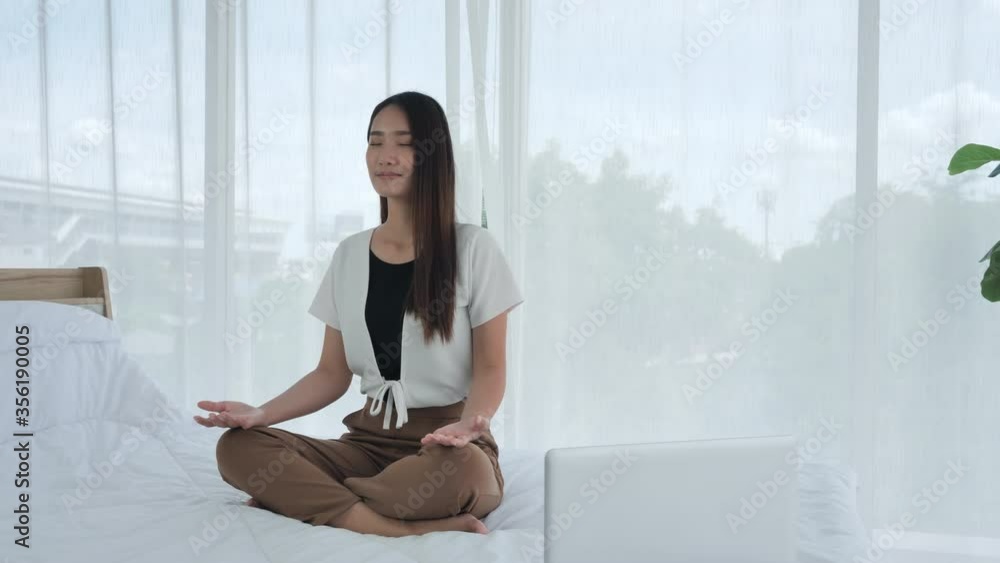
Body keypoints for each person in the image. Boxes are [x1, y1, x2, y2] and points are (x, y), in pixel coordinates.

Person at [194, 91, 524, 537]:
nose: (385, 155)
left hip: (448, 445)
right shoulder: (350, 254)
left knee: (460, 473)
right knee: (238, 448)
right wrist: (261, 414)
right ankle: (388, 525)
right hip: (366, 445)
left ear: (432, 155)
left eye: (404, 142)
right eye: (375, 141)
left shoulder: (473, 248)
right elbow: (331, 373)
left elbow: (491, 367)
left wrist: (470, 423)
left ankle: (308, 498)